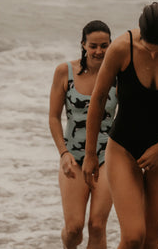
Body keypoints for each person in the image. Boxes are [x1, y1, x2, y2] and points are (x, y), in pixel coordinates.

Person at [83, 2, 158, 249]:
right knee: (132, 238)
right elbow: (97, 100)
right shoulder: (121, 47)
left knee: (151, 240)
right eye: (148, 46)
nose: (152, 54)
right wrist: (89, 154)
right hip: (123, 149)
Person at [49, 20, 118, 249]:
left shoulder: (119, 77)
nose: (99, 51)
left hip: (108, 157)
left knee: (97, 225)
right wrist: (63, 153)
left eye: (104, 45)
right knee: (74, 229)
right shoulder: (64, 72)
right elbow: (53, 117)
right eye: (93, 45)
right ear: (83, 45)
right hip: (74, 156)